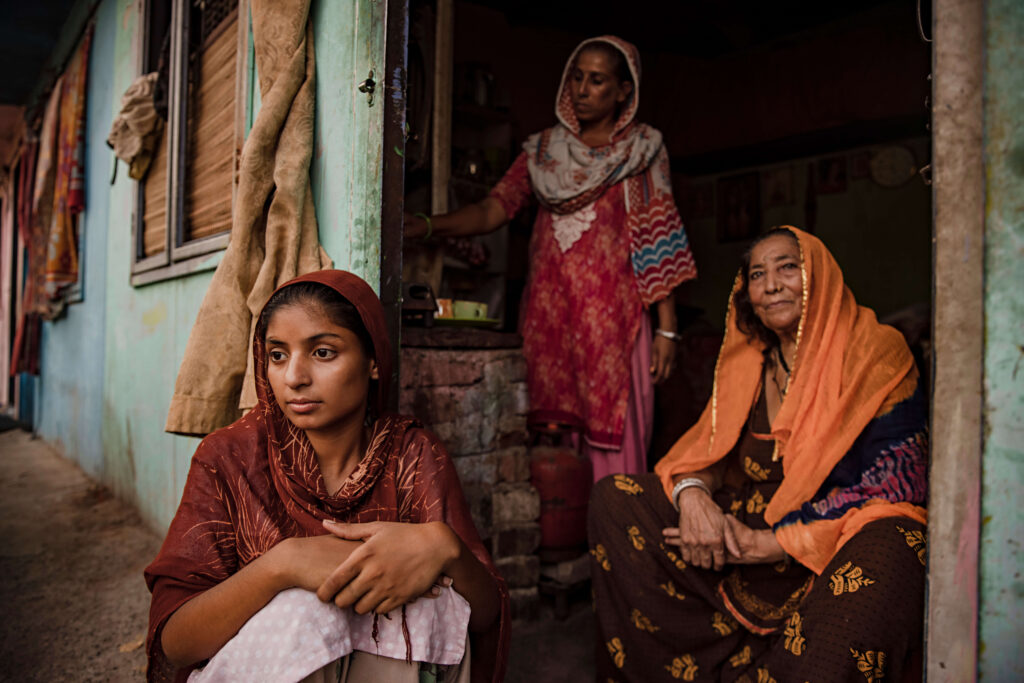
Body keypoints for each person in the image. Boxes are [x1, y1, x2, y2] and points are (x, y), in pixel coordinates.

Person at [588, 227, 928, 682]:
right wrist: (693, 498)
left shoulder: (875, 351)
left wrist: (771, 545)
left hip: (831, 540)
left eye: (788, 267)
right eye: (756, 274)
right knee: (617, 498)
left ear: (819, 276)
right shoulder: (750, 357)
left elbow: (900, 479)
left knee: (898, 538)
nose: (770, 285)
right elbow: (708, 452)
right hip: (740, 529)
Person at [145, 270, 508, 683]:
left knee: (433, 600)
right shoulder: (229, 459)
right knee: (307, 606)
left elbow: (482, 615)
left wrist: (445, 548)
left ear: (373, 361)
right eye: (278, 355)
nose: (294, 377)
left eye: (322, 353)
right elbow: (175, 642)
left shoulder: (412, 456)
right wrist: (281, 565)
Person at [406, 36, 697, 479]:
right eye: (576, 76)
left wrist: (668, 330)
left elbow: (658, 238)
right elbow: (493, 209)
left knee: (611, 425)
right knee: (545, 422)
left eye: (597, 80)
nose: (582, 89)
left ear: (624, 91)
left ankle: (609, 532)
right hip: (548, 318)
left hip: (614, 324)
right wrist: (427, 226)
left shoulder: (640, 152)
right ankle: (553, 532)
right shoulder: (542, 152)